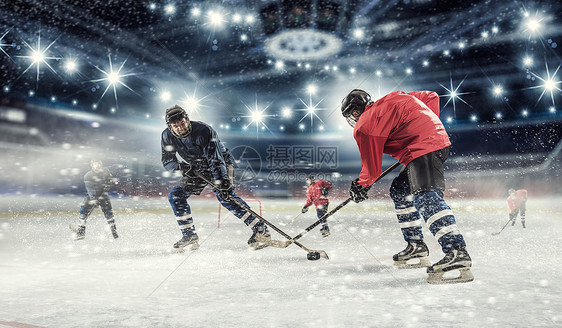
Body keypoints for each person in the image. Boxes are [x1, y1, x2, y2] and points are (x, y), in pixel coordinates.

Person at [341, 89, 473, 284]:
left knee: (426, 196)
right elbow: (431, 97)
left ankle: (457, 252)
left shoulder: (364, 124)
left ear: (354, 113)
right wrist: (424, 126)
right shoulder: (395, 96)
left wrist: (360, 186)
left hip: (423, 148)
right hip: (428, 144)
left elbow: (372, 170)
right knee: (400, 191)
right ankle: (416, 245)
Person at [161, 105, 270, 252]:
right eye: (176, 126)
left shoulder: (203, 131)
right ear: (170, 127)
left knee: (226, 197)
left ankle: (261, 230)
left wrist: (223, 182)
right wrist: (182, 168)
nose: (180, 128)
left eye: (183, 123)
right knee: (176, 196)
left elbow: (215, 160)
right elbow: (167, 160)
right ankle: (189, 235)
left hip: (221, 163)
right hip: (196, 169)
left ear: (187, 119)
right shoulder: (166, 136)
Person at [72, 159, 119, 240]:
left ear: (101, 165)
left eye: (98, 164)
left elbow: (110, 180)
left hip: (103, 195)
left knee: (109, 213)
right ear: (92, 165)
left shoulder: (105, 171)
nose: (97, 165)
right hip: (91, 196)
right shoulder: (88, 176)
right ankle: (81, 232)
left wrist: (108, 184)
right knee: (83, 211)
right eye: (95, 164)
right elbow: (90, 189)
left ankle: (114, 231)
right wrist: (94, 199)